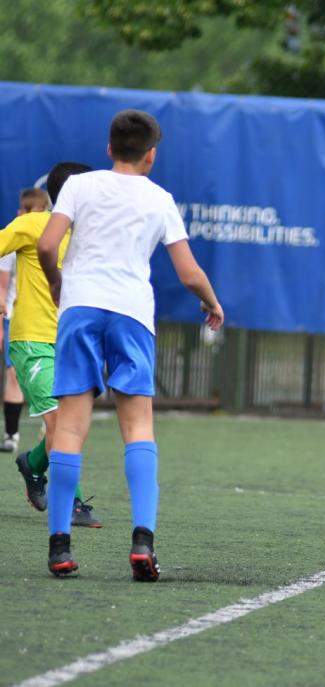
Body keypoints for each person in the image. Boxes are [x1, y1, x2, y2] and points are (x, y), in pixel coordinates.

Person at [37, 110, 224, 580]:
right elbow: (188, 273)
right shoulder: (160, 199)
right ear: (152, 155)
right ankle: (143, 541)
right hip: (132, 314)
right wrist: (212, 302)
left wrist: (58, 283)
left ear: (108, 148)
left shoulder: (80, 186)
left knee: (70, 429)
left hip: (80, 309)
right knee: (138, 426)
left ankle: (60, 546)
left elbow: (46, 245)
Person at [4, 169, 104, 528]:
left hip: (72, 342)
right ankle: (72, 502)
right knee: (59, 423)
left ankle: (31, 464)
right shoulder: (34, 225)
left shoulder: (90, 235)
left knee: (72, 425)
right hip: (33, 341)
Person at [0, 189, 44, 452]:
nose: (24, 215)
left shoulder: (57, 237)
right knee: (14, 375)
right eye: (23, 210)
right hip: (20, 320)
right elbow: (3, 286)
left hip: (51, 319)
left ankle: (51, 429)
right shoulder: (14, 238)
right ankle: (11, 435)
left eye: (31, 211)